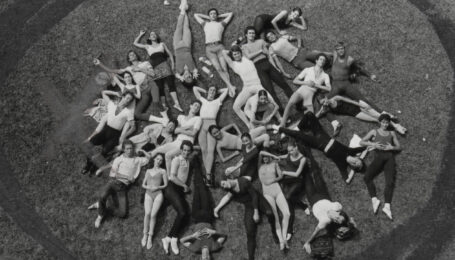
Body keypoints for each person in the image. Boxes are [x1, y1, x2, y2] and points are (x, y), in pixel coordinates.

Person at [272, 111, 365, 183]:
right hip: (323, 135)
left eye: (356, 165)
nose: (355, 163)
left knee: (298, 135)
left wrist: (353, 171)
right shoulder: (351, 151)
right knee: (309, 114)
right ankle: (298, 127)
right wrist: (368, 150)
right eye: (357, 161)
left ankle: (279, 129)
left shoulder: (342, 165)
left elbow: (346, 180)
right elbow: (364, 149)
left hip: (317, 143)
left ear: (352, 167)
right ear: (357, 157)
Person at [87, 141, 151, 228]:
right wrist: (126, 177)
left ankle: (102, 206)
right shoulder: (119, 159)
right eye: (127, 149)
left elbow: (150, 158)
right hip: (113, 183)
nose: (129, 150)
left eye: (131, 148)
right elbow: (113, 173)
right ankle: (100, 215)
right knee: (102, 196)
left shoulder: (138, 160)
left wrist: (143, 151)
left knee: (122, 213)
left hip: (122, 188)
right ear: (124, 150)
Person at [214, 175, 278, 260]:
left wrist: (256, 211)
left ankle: (274, 231)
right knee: (250, 232)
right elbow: (226, 198)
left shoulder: (243, 182)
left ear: (228, 179)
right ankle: (250, 258)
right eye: (222, 187)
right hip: (249, 206)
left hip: (258, 200)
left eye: (223, 183)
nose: (224, 186)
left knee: (270, 213)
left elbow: (254, 195)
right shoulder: (231, 190)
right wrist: (216, 209)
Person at [302, 163, 356, 255]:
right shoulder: (337, 207)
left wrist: (307, 242)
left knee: (307, 178)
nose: (338, 219)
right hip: (324, 195)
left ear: (335, 223)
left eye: (337, 221)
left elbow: (315, 232)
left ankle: (302, 164)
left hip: (313, 199)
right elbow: (351, 220)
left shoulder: (325, 221)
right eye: (340, 217)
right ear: (339, 212)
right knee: (317, 174)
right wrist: (352, 226)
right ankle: (310, 156)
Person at [180, 155, 227, 259]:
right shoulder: (215, 247)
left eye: (203, 259)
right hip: (207, 216)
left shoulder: (196, 249)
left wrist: (193, 236)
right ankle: (196, 164)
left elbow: (182, 241)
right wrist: (213, 232)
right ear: (210, 258)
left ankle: (196, 164)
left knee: (197, 189)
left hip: (196, 217)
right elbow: (224, 236)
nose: (205, 257)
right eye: (208, 259)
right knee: (203, 189)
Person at [93, 52, 162, 120]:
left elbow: (153, 74)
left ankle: (163, 115)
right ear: (129, 59)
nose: (133, 55)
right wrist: (100, 64)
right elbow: (112, 70)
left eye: (134, 54)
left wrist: (140, 69)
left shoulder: (145, 63)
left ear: (137, 56)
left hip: (149, 83)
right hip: (141, 90)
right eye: (130, 55)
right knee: (137, 113)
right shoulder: (128, 68)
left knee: (156, 102)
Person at [82, 90, 136, 175]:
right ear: (123, 96)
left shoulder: (128, 112)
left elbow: (133, 127)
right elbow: (103, 93)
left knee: (104, 152)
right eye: (127, 98)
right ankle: (88, 165)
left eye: (130, 100)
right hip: (105, 130)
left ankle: (93, 166)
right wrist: (115, 93)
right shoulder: (111, 104)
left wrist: (123, 136)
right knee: (91, 143)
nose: (128, 100)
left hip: (115, 135)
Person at [241, 26, 294, 112]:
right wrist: (260, 51)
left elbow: (268, 54)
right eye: (250, 33)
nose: (252, 34)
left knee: (283, 84)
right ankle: (281, 111)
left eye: (253, 33)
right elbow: (249, 56)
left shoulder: (261, 41)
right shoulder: (244, 46)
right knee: (270, 91)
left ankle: (298, 104)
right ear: (246, 35)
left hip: (268, 64)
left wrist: (275, 67)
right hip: (258, 68)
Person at [359, 114, 401, 220]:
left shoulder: (392, 133)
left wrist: (392, 147)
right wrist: (373, 145)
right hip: (379, 157)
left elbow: (399, 147)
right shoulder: (374, 131)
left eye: (387, 123)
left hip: (389, 158)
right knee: (367, 177)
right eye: (383, 122)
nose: (385, 124)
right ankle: (374, 199)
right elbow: (361, 141)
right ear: (380, 122)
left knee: (390, 182)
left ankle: (387, 207)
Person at [133, 30, 183, 112]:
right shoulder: (147, 46)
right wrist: (140, 34)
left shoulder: (162, 44)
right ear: (149, 38)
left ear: (156, 37)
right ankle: (164, 106)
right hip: (155, 68)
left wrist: (173, 64)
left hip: (165, 65)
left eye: (154, 34)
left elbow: (170, 54)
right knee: (160, 87)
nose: (153, 35)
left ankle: (176, 104)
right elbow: (135, 43)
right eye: (151, 34)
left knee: (171, 84)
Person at [279, 54, 331, 130]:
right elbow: (295, 81)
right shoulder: (307, 69)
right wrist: (306, 83)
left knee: (310, 116)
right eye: (320, 59)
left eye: (324, 60)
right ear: (316, 61)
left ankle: (290, 129)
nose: (322, 61)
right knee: (290, 102)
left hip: (310, 95)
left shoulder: (325, 75)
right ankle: (282, 124)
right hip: (302, 90)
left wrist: (316, 85)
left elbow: (329, 88)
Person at [150, 100, 202, 173]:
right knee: (158, 149)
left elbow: (193, 133)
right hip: (176, 141)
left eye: (198, 107)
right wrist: (188, 127)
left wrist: (180, 130)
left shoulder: (198, 119)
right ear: (191, 106)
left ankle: (169, 176)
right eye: (195, 105)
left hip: (186, 143)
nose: (196, 107)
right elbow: (175, 130)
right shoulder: (181, 117)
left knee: (168, 155)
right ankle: (146, 159)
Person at [162, 140, 194, 255]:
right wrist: (185, 185)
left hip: (179, 190)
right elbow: (173, 176)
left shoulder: (188, 161)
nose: (186, 152)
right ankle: (174, 239)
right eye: (184, 150)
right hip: (172, 188)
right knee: (182, 213)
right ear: (181, 150)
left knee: (186, 215)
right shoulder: (176, 159)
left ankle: (168, 238)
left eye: (188, 151)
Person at [221, 46, 266, 127]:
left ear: (240, 53)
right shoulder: (233, 64)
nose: (237, 56)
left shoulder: (246, 58)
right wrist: (231, 52)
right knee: (235, 107)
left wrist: (238, 50)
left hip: (257, 85)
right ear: (232, 56)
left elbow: (243, 49)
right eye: (234, 55)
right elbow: (223, 52)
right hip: (247, 87)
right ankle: (249, 125)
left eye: (238, 53)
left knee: (266, 101)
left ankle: (270, 119)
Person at [316, 95, 407, 135]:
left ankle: (396, 126)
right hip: (356, 114)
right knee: (375, 120)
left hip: (359, 106)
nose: (325, 102)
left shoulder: (336, 98)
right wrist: (322, 108)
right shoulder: (327, 108)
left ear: (326, 97)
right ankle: (393, 123)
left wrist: (362, 105)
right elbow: (316, 116)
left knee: (378, 116)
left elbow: (350, 101)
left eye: (324, 100)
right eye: (323, 103)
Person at [193, 86, 229, 185]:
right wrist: (206, 90)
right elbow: (195, 88)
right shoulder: (203, 100)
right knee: (203, 150)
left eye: (214, 91)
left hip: (212, 125)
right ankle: (209, 176)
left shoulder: (218, 101)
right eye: (211, 90)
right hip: (201, 124)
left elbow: (226, 90)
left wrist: (217, 91)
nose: (212, 92)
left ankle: (208, 175)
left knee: (210, 150)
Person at [194, 8, 235, 94]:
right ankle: (230, 86)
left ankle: (229, 87)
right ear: (209, 16)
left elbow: (230, 14)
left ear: (217, 15)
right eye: (211, 14)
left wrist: (219, 16)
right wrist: (208, 17)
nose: (213, 15)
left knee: (224, 68)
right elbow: (196, 15)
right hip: (209, 49)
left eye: (215, 14)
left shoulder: (221, 24)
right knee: (218, 68)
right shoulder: (205, 24)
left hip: (220, 47)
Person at [276, 139, 309, 240]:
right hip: (288, 179)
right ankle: (302, 206)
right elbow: (285, 156)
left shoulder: (302, 159)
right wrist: (277, 157)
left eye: (291, 150)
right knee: (287, 200)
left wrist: (285, 172)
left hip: (298, 181)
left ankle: (289, 229)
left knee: (288, 197)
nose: (290, 152)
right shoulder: (289, 154)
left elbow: (297, 174)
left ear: (296, 148)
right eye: (289, 151)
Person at [258, 151, 291, 250]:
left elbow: (280, 176)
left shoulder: (275, 164)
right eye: (263, 158)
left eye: (266, 157)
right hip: (267, 193)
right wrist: (272, 155)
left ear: (269, 157)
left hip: (277, 190)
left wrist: (273, 180)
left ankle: (284, 237)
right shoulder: (260, 167)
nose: (265, 158)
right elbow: (260, 152)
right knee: (276, 216)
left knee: (287, 213)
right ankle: (281, 241)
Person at [265, 30, 331, 71]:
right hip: (296, 61)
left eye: (271, 34)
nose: (271, 37)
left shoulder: (283, 37)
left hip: (302, 52)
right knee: (316, 70)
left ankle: (331, 61)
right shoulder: (271, 48)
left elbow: (298, 37)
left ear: (274, 34)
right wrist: (284, 72)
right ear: (268, 40)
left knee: (323, 57)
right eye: (268, 37)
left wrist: (299, 46)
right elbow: (277, 61)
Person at [208, 124, 273, 164]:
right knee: (266, 136)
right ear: (212, 135)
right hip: (245, 144)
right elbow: (223, 160)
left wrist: (239, 133)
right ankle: (266, 149)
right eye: (214, 133)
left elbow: (233, 124)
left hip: (245, 136)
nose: (217, 133)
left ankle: (263, 145)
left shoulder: (223, 131)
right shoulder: (219, 145)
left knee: (263, 128)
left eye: (217, 131)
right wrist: (234, 154)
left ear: (219, 130)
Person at [141, 153, 168, 249]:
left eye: (161, 160)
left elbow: (165, 184)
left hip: (158, 194)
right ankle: (145, 234)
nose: (159, 161)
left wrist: (158, 187)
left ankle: (150, 236)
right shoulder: (148, 170)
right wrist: (147, 186)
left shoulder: (163, 171)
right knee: (147, 213)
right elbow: (143, 184)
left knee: (153, 215)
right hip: (148, 193)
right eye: (158, 159)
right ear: (154, 159)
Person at [173, 0, 199, 88]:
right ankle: (184, 9)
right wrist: (195, 72)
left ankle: (183, 9)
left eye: (187, 78)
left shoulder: (179, 71)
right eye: (190, 77)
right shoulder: (192, 69)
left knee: (179, 27)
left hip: (177, 46)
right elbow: (195, 70)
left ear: (183, 79)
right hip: (187, 45)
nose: (188, 76)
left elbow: (176, 75)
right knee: (186, 28)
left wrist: (180, 77)